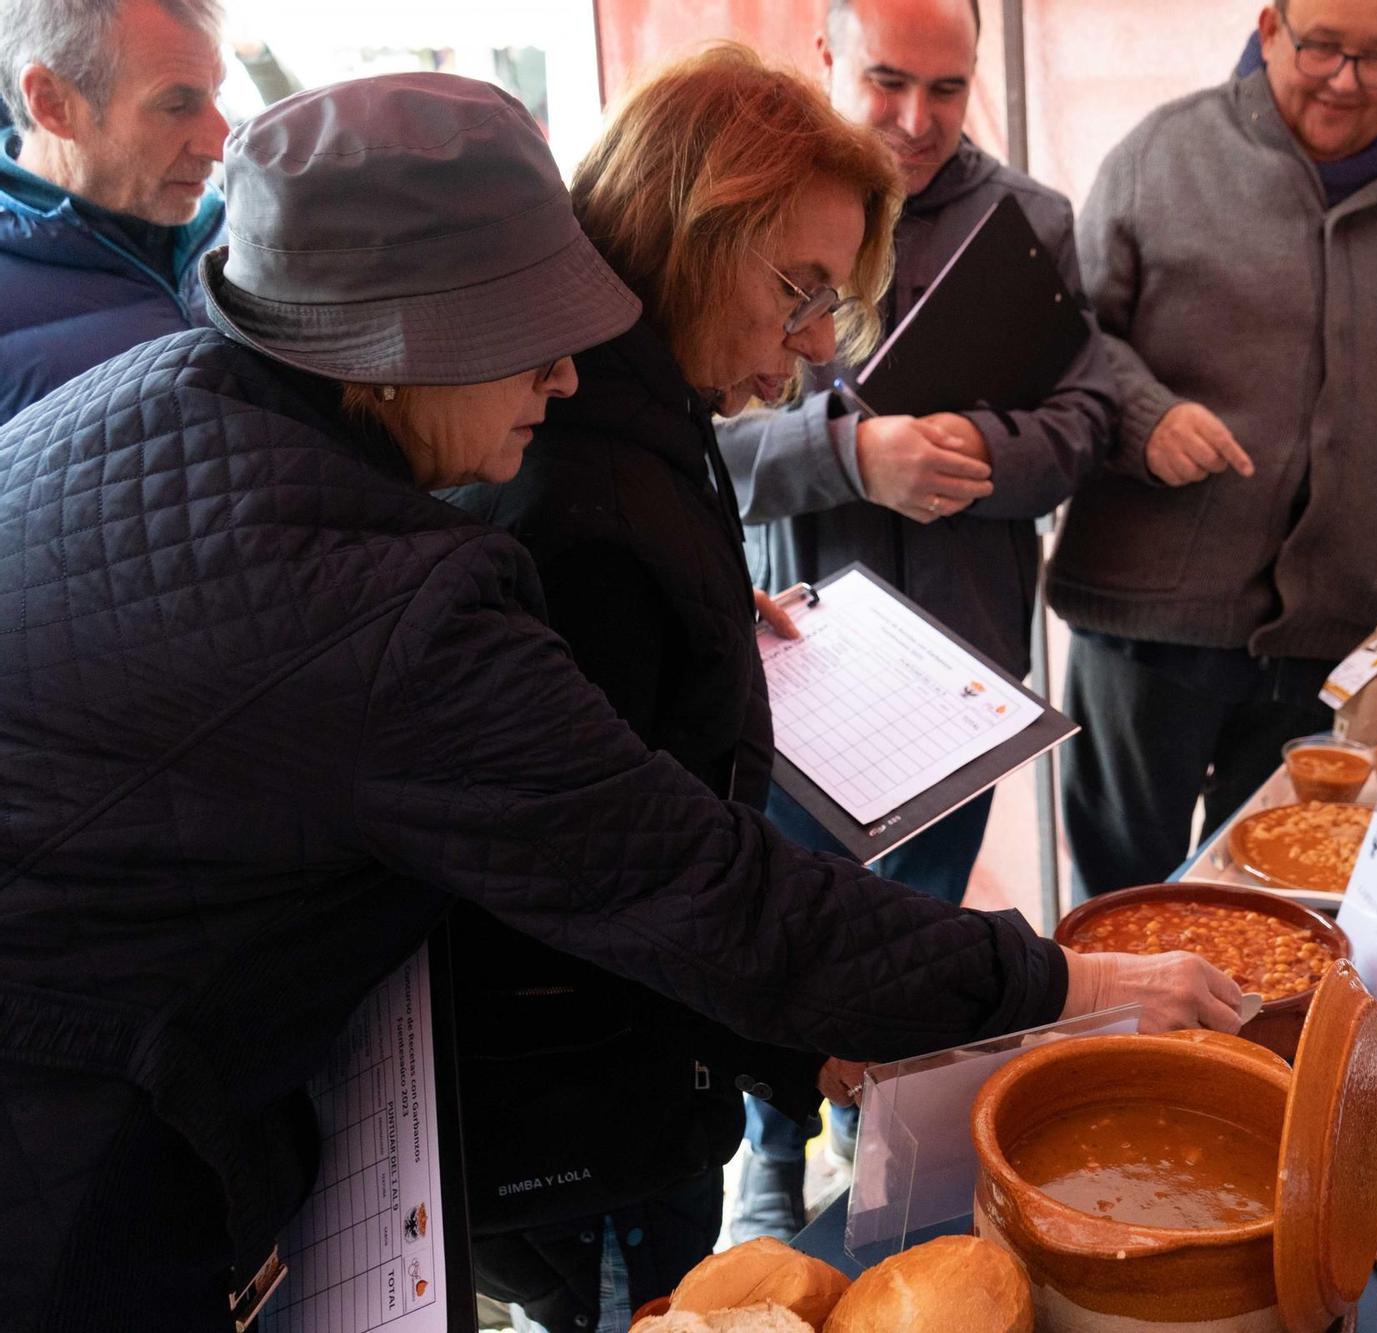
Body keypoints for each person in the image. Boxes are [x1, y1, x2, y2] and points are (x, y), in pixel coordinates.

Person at [0, 72, 1241, 1331]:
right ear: (393, 352)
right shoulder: (398, 601)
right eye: (529, 336)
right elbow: (699, 889)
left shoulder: (154, 392)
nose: (563, 374)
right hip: (82, 1158)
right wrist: (1064, 984)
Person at [440, 48, 904, 1328]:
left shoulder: (633, 406)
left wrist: (702, 619)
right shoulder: (574, 490)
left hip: (634, 1068)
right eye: (799, 293)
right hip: (587, 1104)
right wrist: (799, 1037)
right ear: (688, 236)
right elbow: (612, 890)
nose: (813, 350)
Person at [716, 0, 1116, 1240]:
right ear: (825, 56)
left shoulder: (1031, 223)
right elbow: (696, 447)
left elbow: (1089, 419)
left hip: (959, 668)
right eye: (888, 82)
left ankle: (877, 1125)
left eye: (946, 91)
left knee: (921, 921)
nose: (916, 120)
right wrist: (852, 454)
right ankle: (772, 1144)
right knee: (774, 912)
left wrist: (977, 452)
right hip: (790, 650)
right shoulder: (749, 214)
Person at [1047, 0, 1377, 896]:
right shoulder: (1159, 157)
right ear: (1271, 26)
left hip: (1344, 640)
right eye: (1322, 47)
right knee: (1127, 902)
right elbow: (1066, 339)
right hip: (1147, 629)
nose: (1346, 81)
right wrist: (1144, 416)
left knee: (1292, 906)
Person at [0, 0, 229, 425]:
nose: (220, 145)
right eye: (177, 106)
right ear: (51, 103)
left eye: (218, 95)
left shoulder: (247, 228)